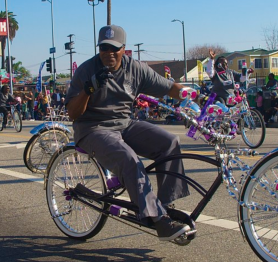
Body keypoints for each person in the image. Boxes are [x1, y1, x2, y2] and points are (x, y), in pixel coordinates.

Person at [66, 25, 193, 242]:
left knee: (169, 142)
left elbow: (169, 87)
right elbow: (72, 113)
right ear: (99, 49)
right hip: (92, 128)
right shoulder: (86, 70)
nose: (109, 53)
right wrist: (88, 90)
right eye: (104, 48)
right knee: (128, 158)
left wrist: (193, 95)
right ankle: (158, 220)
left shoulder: (135, 69)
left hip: (124, 125)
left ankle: (164, 205)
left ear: (124, 48)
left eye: (115, 48)